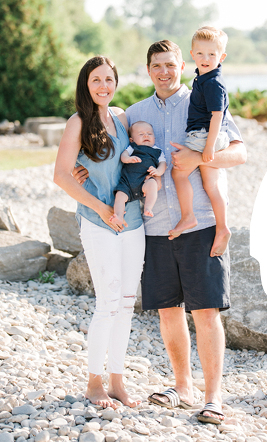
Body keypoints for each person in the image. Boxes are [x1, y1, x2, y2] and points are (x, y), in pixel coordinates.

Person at [125, 39, 246, 425]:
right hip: (154, 227)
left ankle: (214, 398)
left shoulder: (204, 98)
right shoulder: (134, 113)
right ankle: (182, 387)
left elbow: (240, 153)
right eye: (156, 65)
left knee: (207, 312)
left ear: (183, 65)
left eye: (170, 65)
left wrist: (200, 156)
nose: (164, 72)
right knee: (167, 311)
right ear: (148, 70)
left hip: (203, 223)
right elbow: (114, 161)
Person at [53, 56, 143, 409]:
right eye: (96, 80)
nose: (103, 86)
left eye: (109, 79)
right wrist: (100, 208)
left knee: (126, 305)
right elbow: (61, 175)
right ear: (85, 84)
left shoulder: (121, 117)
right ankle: (94, 384)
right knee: (107, 304)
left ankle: (117, 381)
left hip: (132, 222)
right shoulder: (78, 123)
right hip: (98, 222)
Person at [170, 26, 231, 258]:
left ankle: (188, 216)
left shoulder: (213, 83)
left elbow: (217, 116)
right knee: (211, 186)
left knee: (179, 173)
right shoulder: (204, 78)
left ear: (221, 57)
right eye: (201, 54)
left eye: (212, 54)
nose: (206, 59)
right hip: (207, 136)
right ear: (192, 54)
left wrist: (207, 147)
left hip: (205, 135)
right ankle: (223, 226)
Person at [111, 121, 167, 226]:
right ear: (132, 140)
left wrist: (158, 171)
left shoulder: (157, 151)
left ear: (154, 138)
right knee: (119, 196)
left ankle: (148, 207)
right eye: (141, 134)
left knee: (153, 185)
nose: (146, 135)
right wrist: (128, 159)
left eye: (149, 134)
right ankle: (118, 215)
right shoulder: (132, 147)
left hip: (144, 181)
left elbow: (163, 164)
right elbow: (123, 156)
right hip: (127, 183)